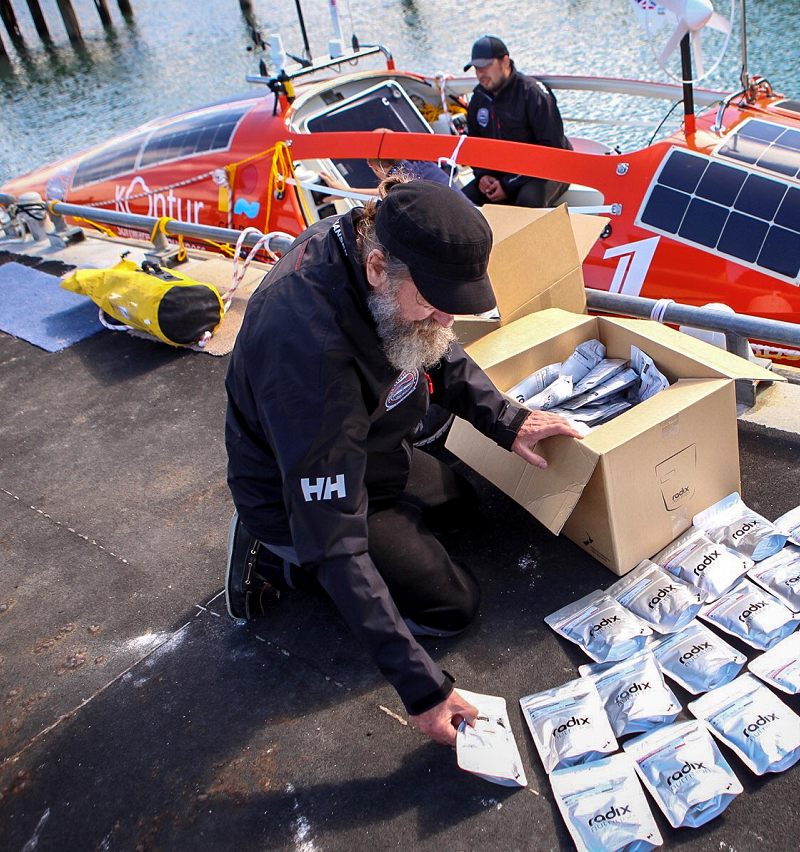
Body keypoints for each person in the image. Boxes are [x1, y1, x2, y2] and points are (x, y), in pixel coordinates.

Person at [224, 176, 581, 746]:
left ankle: (375, 538)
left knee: (465, 507)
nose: (447, 320)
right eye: (435, 303)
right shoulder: (309, 354)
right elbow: (335, 537)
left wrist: (505, 419)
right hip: (305, 492)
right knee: (452, 608)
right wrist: (424, 690)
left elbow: (438, 346)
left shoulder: (372, 248)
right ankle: (276, 558)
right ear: (375, 270)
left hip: (373, 449)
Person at [460, 36, 572, 208]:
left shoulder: (533, 93)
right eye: (476, 68)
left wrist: (508, 185)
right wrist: (483, 175)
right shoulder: (478, 99)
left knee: (528, 201)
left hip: (548, 170)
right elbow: (474, 145)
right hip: (503, 173)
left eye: (486, 66)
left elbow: (552, 151)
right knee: (461, 202)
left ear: (505, 62)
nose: (480, 73)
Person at [318, 128, 452, 196]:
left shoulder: (400, 191)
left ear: (371, 165)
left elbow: (392, 189)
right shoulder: (429, 166)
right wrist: (348, 191)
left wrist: (347, 191)